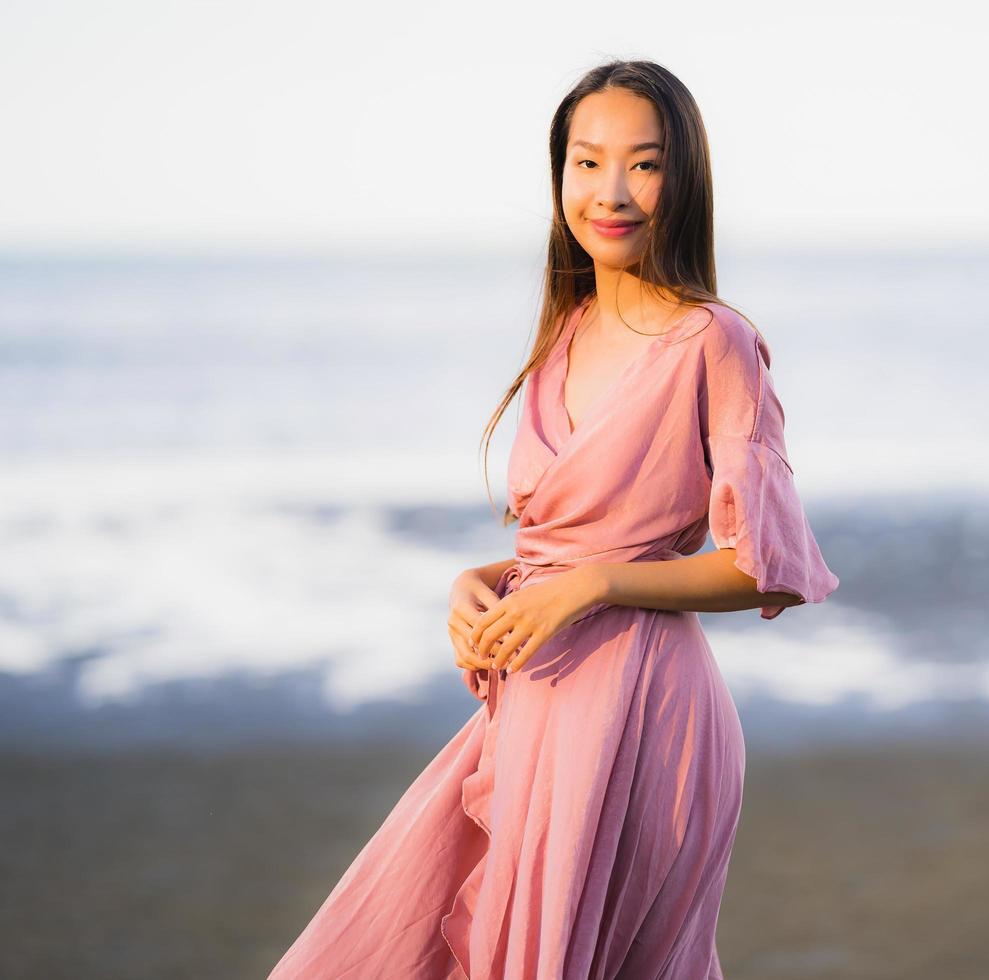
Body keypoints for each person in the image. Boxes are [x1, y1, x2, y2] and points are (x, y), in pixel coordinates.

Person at [267, 58, 839, 980]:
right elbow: (566, 541)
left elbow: (765, 566)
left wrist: (596, 586)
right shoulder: (563, 333)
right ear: (559, 174)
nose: (611, 192)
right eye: (587, 162)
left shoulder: (715, 341)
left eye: (644, 164)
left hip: (646, 716)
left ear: (684, 179)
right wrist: (484, 582)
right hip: (534, 706)